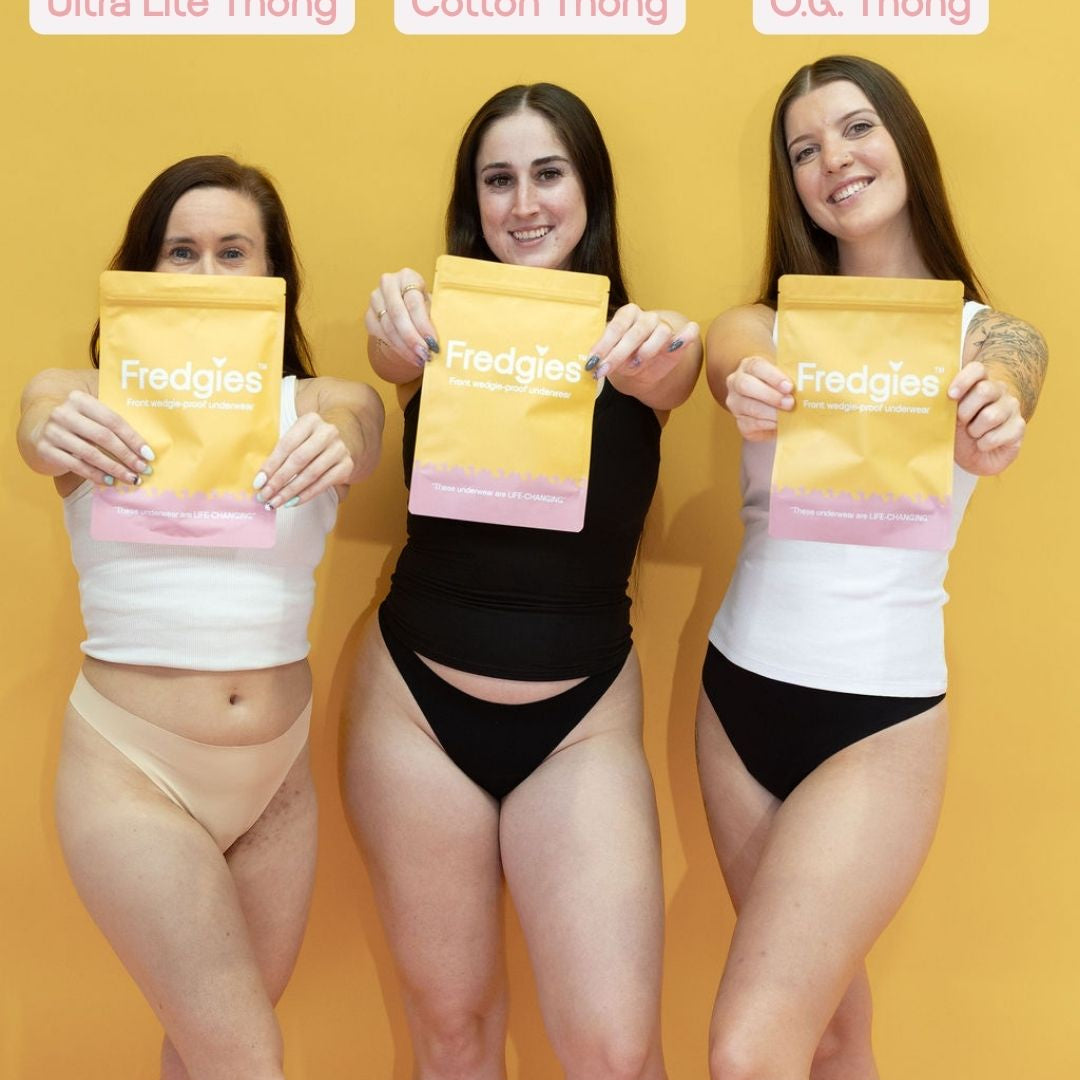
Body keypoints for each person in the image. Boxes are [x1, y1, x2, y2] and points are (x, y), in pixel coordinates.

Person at [698, 56, 1048, 1080]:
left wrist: (997, 410)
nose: (833, 161)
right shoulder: (765, 327)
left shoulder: (996, 337)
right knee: (836, 1034)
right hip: (735, 707)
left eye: (855, 130)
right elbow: (730, 348)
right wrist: (741, 381)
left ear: (904, 144)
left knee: (748, 1051)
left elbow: (1014, 374)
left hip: (879, 726)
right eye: (804, 150)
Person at [342, 83, 701, 1080]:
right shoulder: (428, 328)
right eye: (498, 180)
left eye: (549, 173)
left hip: (578, 725)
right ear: (474, 202)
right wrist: (390, 326)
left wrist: (669, 348)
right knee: (453, 1034)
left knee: (617, 1054)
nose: (524, 203)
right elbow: (386, 352)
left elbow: (678, 366)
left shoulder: (641, 346)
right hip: (414, 711)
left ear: (590, 191)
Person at [17, 155, 384, 1080]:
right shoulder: (87, 403)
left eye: (234, 252)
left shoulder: (315, 406)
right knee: (245, 1059)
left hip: (277, 782)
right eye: (181, 253)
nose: (209, 274)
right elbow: (39, 415)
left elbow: (364, 418)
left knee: (206, 1048)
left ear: (273, 279)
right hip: (133, 773)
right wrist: (42, 425)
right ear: (143, 271)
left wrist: (347, 436)